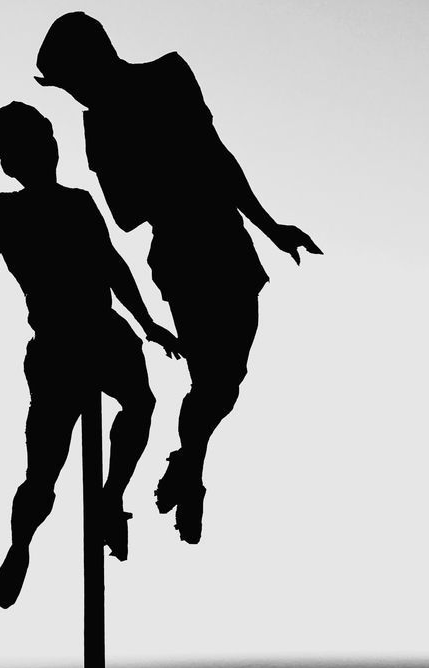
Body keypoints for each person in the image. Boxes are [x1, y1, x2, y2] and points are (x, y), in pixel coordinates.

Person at [33, 12, 323, 545]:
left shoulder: (169, 74)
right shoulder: (97, 125)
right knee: (209, 378)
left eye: (72, 81)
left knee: (226, 382)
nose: (74, 95)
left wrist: (271, 228)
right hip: (179, 257)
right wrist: (173, 168)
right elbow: (124, 213)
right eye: (67, 89)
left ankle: (189, 461)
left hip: (228, 241)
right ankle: (191, 471)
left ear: (94, 56)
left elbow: (218, 157)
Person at [0, 101, 180, 608]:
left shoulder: (64, 205)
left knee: (135, 408)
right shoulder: (6, 211)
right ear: (15, 158)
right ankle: (25, 543)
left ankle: (107, 498)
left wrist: (148, 324)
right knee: (46, 471)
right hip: (67, 347)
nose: (50, 153)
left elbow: (114, 267)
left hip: (90, 340)